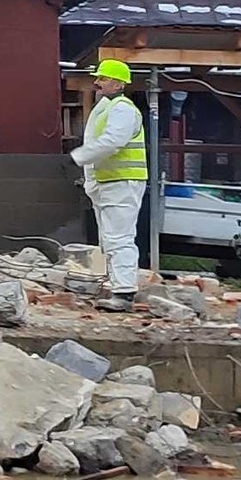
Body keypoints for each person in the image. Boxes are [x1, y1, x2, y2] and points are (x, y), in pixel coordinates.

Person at [70, 58, 150, 309]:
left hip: (122, 182)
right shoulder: (108, 107)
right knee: (110, 238)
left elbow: (111, 142)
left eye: (102, 78)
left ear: (117, 83)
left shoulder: (123, 109)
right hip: (110, 182)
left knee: (120, 237)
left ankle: (124, 292)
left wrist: (77, 158)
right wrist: (90, 180)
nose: (97, 82)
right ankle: (118, 286)